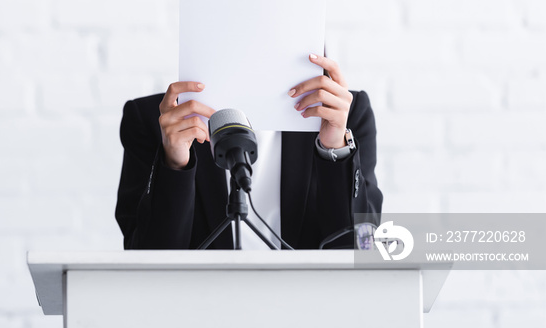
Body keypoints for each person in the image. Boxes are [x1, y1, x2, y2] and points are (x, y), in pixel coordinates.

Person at [115, 53, 382, 249]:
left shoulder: (344, 113)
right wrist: (175, 164)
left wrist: (333, 148)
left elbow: (362, 248)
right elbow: (144, 259)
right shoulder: (158, 121)